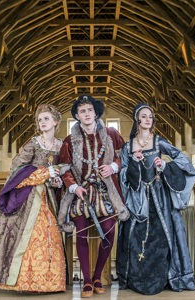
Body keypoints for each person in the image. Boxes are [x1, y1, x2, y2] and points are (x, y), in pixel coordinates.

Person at [0, 104, 66, 293]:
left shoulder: (61, 145)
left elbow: (62, 169)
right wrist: (43, 173)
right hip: (27, 197)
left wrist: (56, 180)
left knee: (49, 236)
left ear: (55, 121)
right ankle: (20, 282)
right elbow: (16, 169)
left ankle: (47, 283)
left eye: (46, 118)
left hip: (47, 198)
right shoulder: (33, 143)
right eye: (40, 120)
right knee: (24, 236)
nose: (42, 122)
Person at [116, 102, 195, 295]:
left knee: (162, 235)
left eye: (150, 116)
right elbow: (123, 174)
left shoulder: (159, 142)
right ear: (137, 120)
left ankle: (165, 276)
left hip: (159, 196)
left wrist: (164, 166)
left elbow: (184, 161)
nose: (147, 119)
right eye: (143, 116)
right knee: (134, 237)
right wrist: (134, 165)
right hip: (137, 199)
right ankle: (136, 277)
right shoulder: (128, 147)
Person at [57, 95, 130, 298]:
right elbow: (64, 168)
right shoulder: (69, 141)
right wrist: (74, 188)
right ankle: (87, 281)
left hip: (106, 191)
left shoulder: (111, 134)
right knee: (81, 231)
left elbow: (124, 156)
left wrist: (114, 166)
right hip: (82, 193)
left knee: (108, 230)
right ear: (77, 116)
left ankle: (98, 276)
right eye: (82, 111)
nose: (86, 114)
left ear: (96, 113)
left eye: (90, 110)